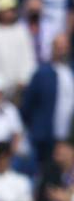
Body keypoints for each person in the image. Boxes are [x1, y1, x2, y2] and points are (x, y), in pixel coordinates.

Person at [21, 34, 74, 164]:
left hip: (68, 136)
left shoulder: (70, 71)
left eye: (64, 47)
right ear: (52, 48)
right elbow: (28, 104)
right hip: (45, 136)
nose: (61, 51)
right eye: (58, 47)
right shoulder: (42, 72)